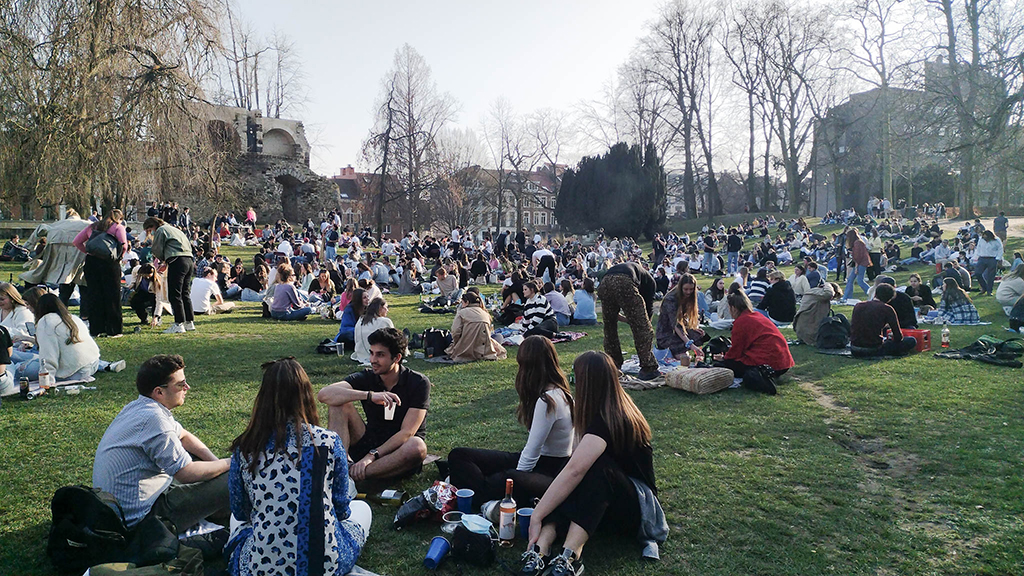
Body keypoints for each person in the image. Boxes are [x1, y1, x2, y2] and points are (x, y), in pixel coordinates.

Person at [521, 351, 664, 576]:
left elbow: (577, 471)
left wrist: (538, 514)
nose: (573, 383)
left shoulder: (610, 421)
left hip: (639, 508)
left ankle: (570, 554)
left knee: (593, 470)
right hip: (606, 502)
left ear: (588, 383)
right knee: (571, 474)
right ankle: (541, 548)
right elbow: (573, 466)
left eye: (575, 377)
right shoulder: (607, 410)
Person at [226, 358, 370, 576]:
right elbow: (341, 509)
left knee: (236, 523)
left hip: (261, 568)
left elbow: (240, 511)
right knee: (363, 509)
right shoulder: (328, 441)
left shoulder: (245, 448)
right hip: (323, 566)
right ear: (306, 395)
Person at [92, 354, 230, 531]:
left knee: (201, 460)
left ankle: (220, 508)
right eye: (180, 385)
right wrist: (230, 462)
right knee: (231, 476)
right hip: (142, 518)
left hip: (126, 506)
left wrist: (215, 462)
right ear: (159, 392)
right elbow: (186, 474)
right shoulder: (154, 419)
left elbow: (184, 436)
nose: (187, 387)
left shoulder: (139, 407)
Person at [448, 336, 572, 508]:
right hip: (545, 462)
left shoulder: (548, 400)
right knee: (460, 455)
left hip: (545, 467)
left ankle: (481, 497)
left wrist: (516, 480)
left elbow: (532, 451)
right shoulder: (563, 394)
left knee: (488, 481)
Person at [318, 328, 429, 481]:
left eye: (380, 355)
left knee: (417, 446)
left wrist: (371, 456)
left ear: (396, 358)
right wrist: (369, 395)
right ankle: (342, 468)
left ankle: (349, 476)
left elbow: (407, 433)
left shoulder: (418, 382)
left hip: (398, 450)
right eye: (371, 353)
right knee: (339, 403)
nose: (373, 360)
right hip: (369, 440)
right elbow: (324, 394)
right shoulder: (367, 377)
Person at [14, 294, 125, 382]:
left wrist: (48, 380)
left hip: (74, 372)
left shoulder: (46, 322)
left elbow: (48, 355)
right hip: (93, 364)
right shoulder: (72, 318)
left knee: (19, 368)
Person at [712, 291, 794, 387]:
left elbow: (736, 351)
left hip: (768, 363)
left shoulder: (741, 322)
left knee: (724, 366)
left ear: (733, 308)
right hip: (783, 363)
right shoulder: (757, 316)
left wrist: (724, 359)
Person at [597, 262, 659, 380]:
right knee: (643, 329)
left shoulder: (639, 273)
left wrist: (627, 318)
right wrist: (646, 323)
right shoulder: (651, 283)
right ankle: (648, 367)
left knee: (609, 328)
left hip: (604, 282)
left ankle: (613, 363)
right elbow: (648, 309)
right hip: (623, 281)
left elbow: (615, 314)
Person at [73, 209, 128, 337]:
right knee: (112, 295)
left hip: (92, 262)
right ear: (118, 218)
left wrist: (87, 252)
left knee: (94, 294)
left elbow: (76, 241)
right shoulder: (118, 227)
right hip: (109, 262)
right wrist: (119, 257)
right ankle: (113, 330)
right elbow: (124, 245)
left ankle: (96, 329)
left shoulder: (92, 227)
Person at [145, 217, 196, 334]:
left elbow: (157, 249)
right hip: (188, 260)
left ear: (152, 226)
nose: (150, 233)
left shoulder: (161, 230)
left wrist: (162, 260)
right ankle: (189, 322)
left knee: (174, 293)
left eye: (149, 230)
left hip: (176, 260)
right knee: (185, 292)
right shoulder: (175, 229)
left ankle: (179, 324)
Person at [849, 284, 917, 357]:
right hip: (874, 349)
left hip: (854, 348)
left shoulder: (858, 305)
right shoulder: (887, 309)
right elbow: (898, 337)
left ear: (875, 294)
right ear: (890, 299)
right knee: (911, 340)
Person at [655, 273, 706, 362]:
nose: (688, 292)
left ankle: (681, 351)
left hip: (679, 331)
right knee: (685, 357)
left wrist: (693, 328)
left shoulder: (690, 297)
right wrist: (690, 344)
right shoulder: (670, 299)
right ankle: (677, 352)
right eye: (686, 289)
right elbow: (676, 324)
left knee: (701, 335)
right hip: (666, 334)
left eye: (691, 289)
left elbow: (687, 318)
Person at [446, 291, 506, 362]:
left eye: (462, 303)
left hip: (466, 348)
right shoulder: (485, 313)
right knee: (498, 336)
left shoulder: (461, 313)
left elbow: (456, 332)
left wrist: (456, 343)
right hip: (485, 349)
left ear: (467, 302)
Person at [351, 297, 394, 364]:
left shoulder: (361, 320)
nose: (387, 310)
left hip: (361, 354)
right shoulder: (385, 321)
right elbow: (394, 340)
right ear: (380, 308)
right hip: (378, 353)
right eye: (386, 307)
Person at [842, 229, 872, 300]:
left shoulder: (858, 243)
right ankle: (846, 297)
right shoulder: (858, 242)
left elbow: (859, 256)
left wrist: (856, 267)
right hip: (860, 262)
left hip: (861, 263)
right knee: (850, 279)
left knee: (860, 281)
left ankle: (872, 293)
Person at [974, 230, 1003, 296]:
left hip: (992, 258)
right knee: (977, 273)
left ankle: (989, 291)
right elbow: (978, 247)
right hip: (982, 258)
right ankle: (984, 287)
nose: (985, 239)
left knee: (991, 276)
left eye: (986, 238)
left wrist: (998, 258)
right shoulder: (981, 239)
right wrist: (978, 254)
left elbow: (1000, 249)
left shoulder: (997, 240)